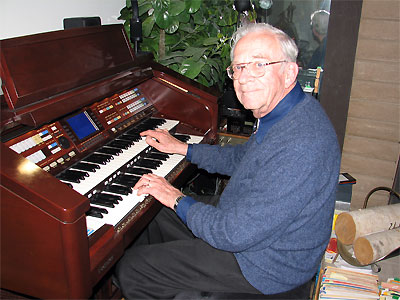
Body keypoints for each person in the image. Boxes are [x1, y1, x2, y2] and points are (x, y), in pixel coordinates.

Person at [115, 22, 341, 299]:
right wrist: (183, 149)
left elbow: (233, 234)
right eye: (239, 67)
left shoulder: (301, 142)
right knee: (150, 212)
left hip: (266, 264)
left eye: (259, 65)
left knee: (132, 269)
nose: (243, 78)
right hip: (251, 228)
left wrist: (175, 196)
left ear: (289, 73)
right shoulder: (282, 112)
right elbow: (242, 158)